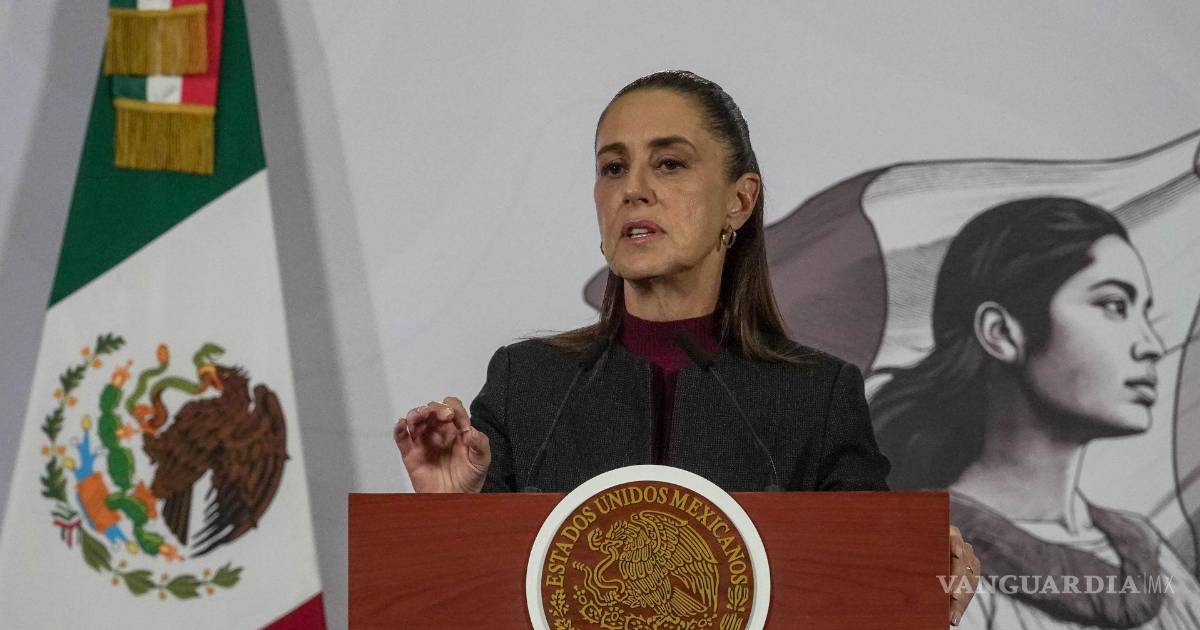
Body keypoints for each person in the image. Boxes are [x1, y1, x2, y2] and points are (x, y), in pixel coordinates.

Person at [393, 70, 980, 625]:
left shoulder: (816, 396)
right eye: (613, 168)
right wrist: (451, 513)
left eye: (669, 164)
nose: (634, 190)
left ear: (739, 201)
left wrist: (921, 567)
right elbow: (467, 603)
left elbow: (868, 588)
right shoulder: (526, 382)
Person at [871, 197, 1200, 628]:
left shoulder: (1151, 555)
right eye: (1114, 305)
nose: (1152, 345)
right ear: (1002, 333)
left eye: (1144, 313)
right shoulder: (921, 559)